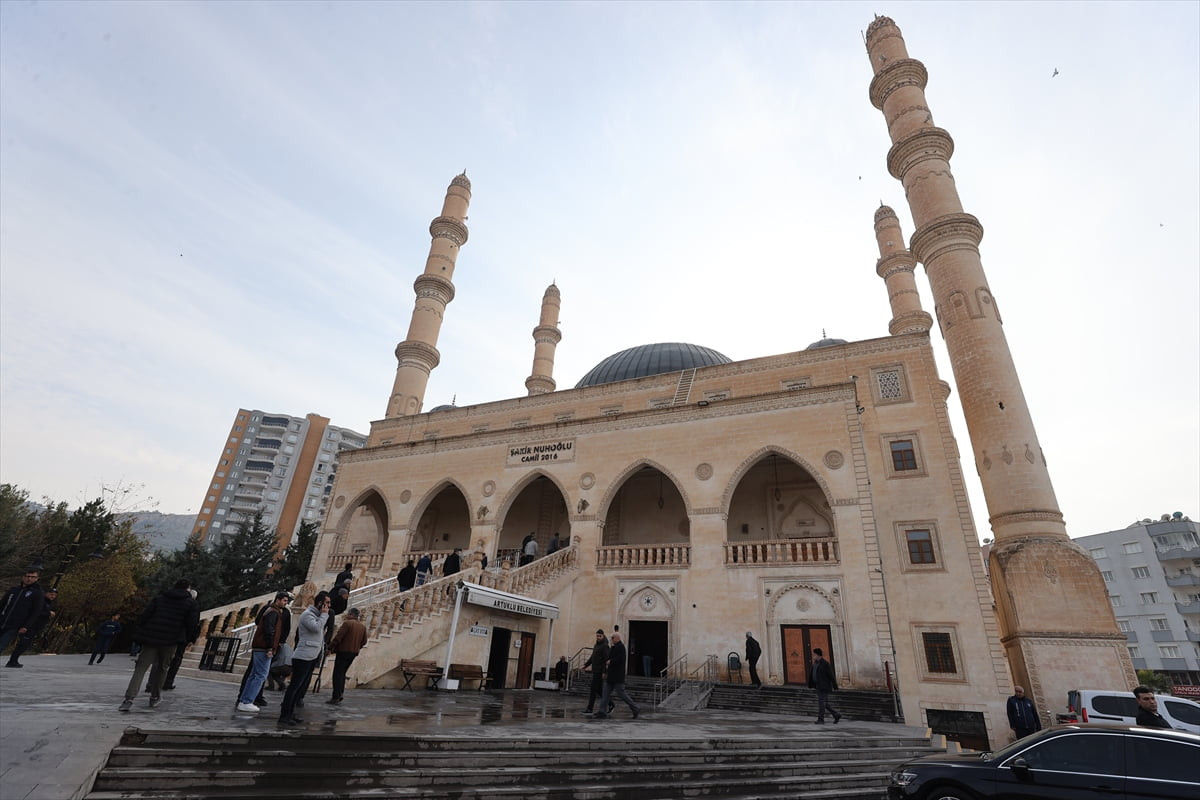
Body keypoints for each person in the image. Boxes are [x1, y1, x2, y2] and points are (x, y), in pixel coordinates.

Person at [119, 579, 199, 712]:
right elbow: (192, 624)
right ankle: (155, 697)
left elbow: (145, 616)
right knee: (163, 668)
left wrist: (142, 632)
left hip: (151, 638)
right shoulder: (191, 603)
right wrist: (190, 639)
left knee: (140, 668)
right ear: (188, 589)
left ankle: (129, 698)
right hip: (171, 640)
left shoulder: (160, 598)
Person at [279, 590, 330, 725]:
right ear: (320, 603)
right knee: (294, 686)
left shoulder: (318, 615)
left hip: (311, 656)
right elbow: (316, 628)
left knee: (300, 687)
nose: (328, 606)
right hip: (303, 656)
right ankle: (285, 715)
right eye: (326, 603)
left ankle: (291, 713)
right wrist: (324, 616)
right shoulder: (308, 615)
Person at [236, 591, 291, 713]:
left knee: (254, 675)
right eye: (284, 600)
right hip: (264, 648)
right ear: (278, 599)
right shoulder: (273, 612)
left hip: (261, 647)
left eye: (287, 601)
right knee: (260, 675)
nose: (286, 603)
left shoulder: (271, 610)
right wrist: (270, 647)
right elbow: (269, 630)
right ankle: (247, 701)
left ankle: (244, 699)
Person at [0, 568, 45, 660]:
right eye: (27, 576)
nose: (29, 579)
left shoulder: (37, 593)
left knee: (1, 644)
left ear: (37, 578)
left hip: (15, 625)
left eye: (33, 577)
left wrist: (26, 626)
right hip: (2, 620)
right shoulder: (14, 590)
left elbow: (36, 611)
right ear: (23, 577)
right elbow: (2, 604)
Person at [6, 586, 57, 667]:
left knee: (25, 645)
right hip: (30, 626)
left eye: (54, 595)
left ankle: (14, 660)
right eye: (51, 594)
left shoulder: (48, 602)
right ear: (46, 593)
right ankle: (12, 661)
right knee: (23, 644)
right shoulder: (41, 601)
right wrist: (48, 613)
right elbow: (36, 613)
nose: (52, 596)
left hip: (36, 627)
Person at [326, 607, 367, 704]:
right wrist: (357, 647)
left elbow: (338, 637)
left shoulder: (347, 623)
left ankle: (336, 696)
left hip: (343, 651)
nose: (347, 616)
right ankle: (340, 693)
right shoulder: (362, 627)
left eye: (348, 614)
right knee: (342, 673)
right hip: (353, 653)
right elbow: (364, 641)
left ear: (352, 615)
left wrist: (330, 647)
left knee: (337, 674)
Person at [594, 631, 639, 719]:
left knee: (622, 694)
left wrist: (611, 661)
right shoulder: (614, 647)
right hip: (611, 675)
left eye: (613, 638)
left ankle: (635, 708)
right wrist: (606, 670)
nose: (611, 640)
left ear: (617, 638)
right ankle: (602, 711)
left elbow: (621, 659)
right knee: (605, 693)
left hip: (618, 676)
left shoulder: (621, 647)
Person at [808, 647, 841, 724]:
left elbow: (831, 675)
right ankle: (836, 714)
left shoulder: (825, 664)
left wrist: (834, 685)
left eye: (814, 654)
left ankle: (821, 719)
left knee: (821, 703)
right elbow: (812, 674)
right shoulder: (815, 664)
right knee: (824, 703)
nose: (813, 656)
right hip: (818, 686)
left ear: (818, 655)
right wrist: (811, 684)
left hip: (824, 686)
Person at [582, 629, 610, 714]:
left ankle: (590, 708)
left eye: (600, 636)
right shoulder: (596, 645)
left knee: (593, 689)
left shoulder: (605, 646)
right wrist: (585, 665)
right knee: (598, 690)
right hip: (595, 670)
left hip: (599, 671)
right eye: (597, 636)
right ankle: (611, 703)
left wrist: (604, 672)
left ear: (603, 636)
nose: (598, 637)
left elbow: (606, 660)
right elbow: (592, 657)